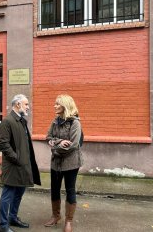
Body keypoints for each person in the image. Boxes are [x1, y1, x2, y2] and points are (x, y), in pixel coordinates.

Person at [0, 94, 41, 232]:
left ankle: (13, 218)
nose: (28, 107)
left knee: (19, 193)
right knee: (7, 195)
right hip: (13, 166)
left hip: (23, 166)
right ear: (18, 104)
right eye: (26, 104)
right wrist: (16, 158)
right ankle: (3, 225)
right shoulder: (7, 121)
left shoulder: (22, 120)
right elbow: (3, 144)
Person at [43, 94, 83, 232]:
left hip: (71, 163)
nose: (54, 106)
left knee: (70, 190)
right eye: (55, 104)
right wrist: (59, 142)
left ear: (65, 106)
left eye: (57, 104)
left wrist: (54, 146)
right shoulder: (55, 121)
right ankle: (56, 216)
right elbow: (47, 137)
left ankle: (69, 221)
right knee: (54, 189)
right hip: (56, 163)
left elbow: (73, 145)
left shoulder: (75, 123)